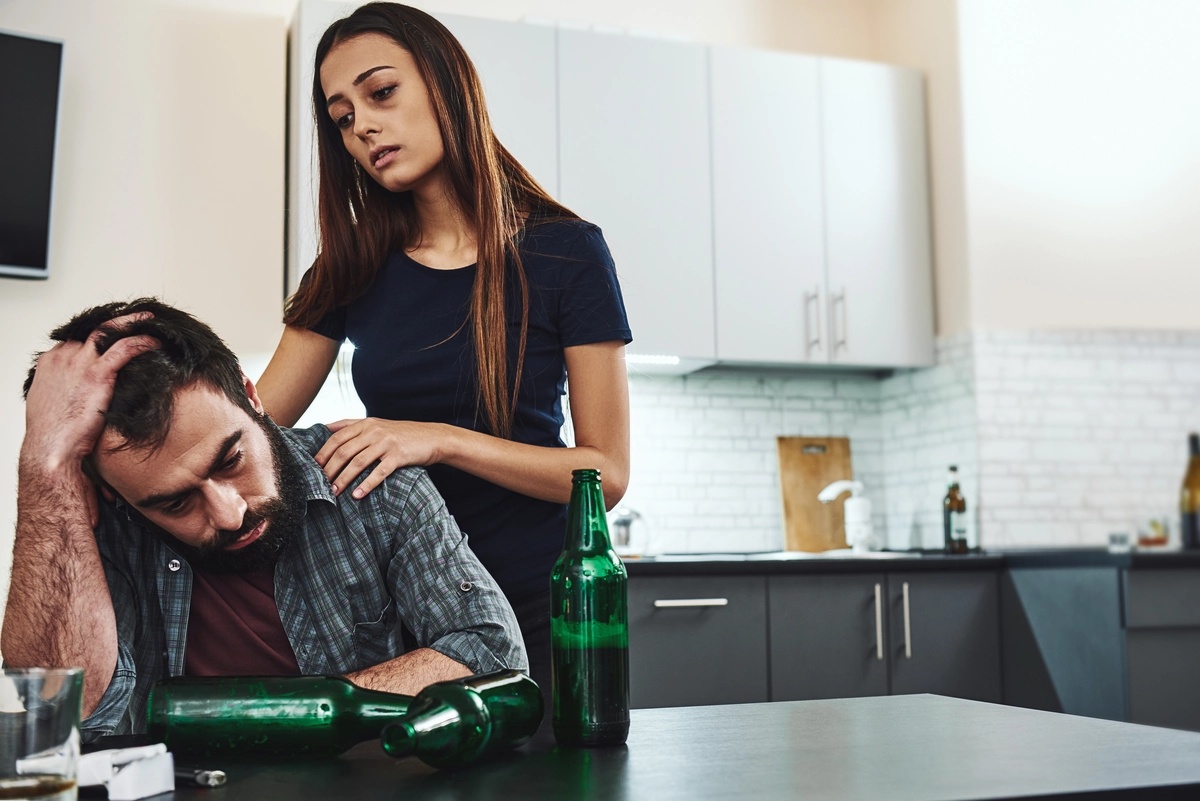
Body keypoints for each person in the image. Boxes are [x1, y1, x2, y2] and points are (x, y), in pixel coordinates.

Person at [255, 2, 633, 702]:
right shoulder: (347, 271)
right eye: (342, 118)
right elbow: (249, 429)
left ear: (445, 83)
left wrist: (441, 441)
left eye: (381, 92)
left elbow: (605, 474)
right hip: (405, 623)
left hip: (541, 618)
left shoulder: (567, 253)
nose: (363, 125)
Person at [1, 298, 526, 740]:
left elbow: (493, 655)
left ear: (252, 399)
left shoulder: (374, 483)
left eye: (231, 461)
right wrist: (46, 467)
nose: (230, 515)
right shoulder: (97, 526)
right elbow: (64, 719)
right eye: (174, 503)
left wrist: (278, 715)